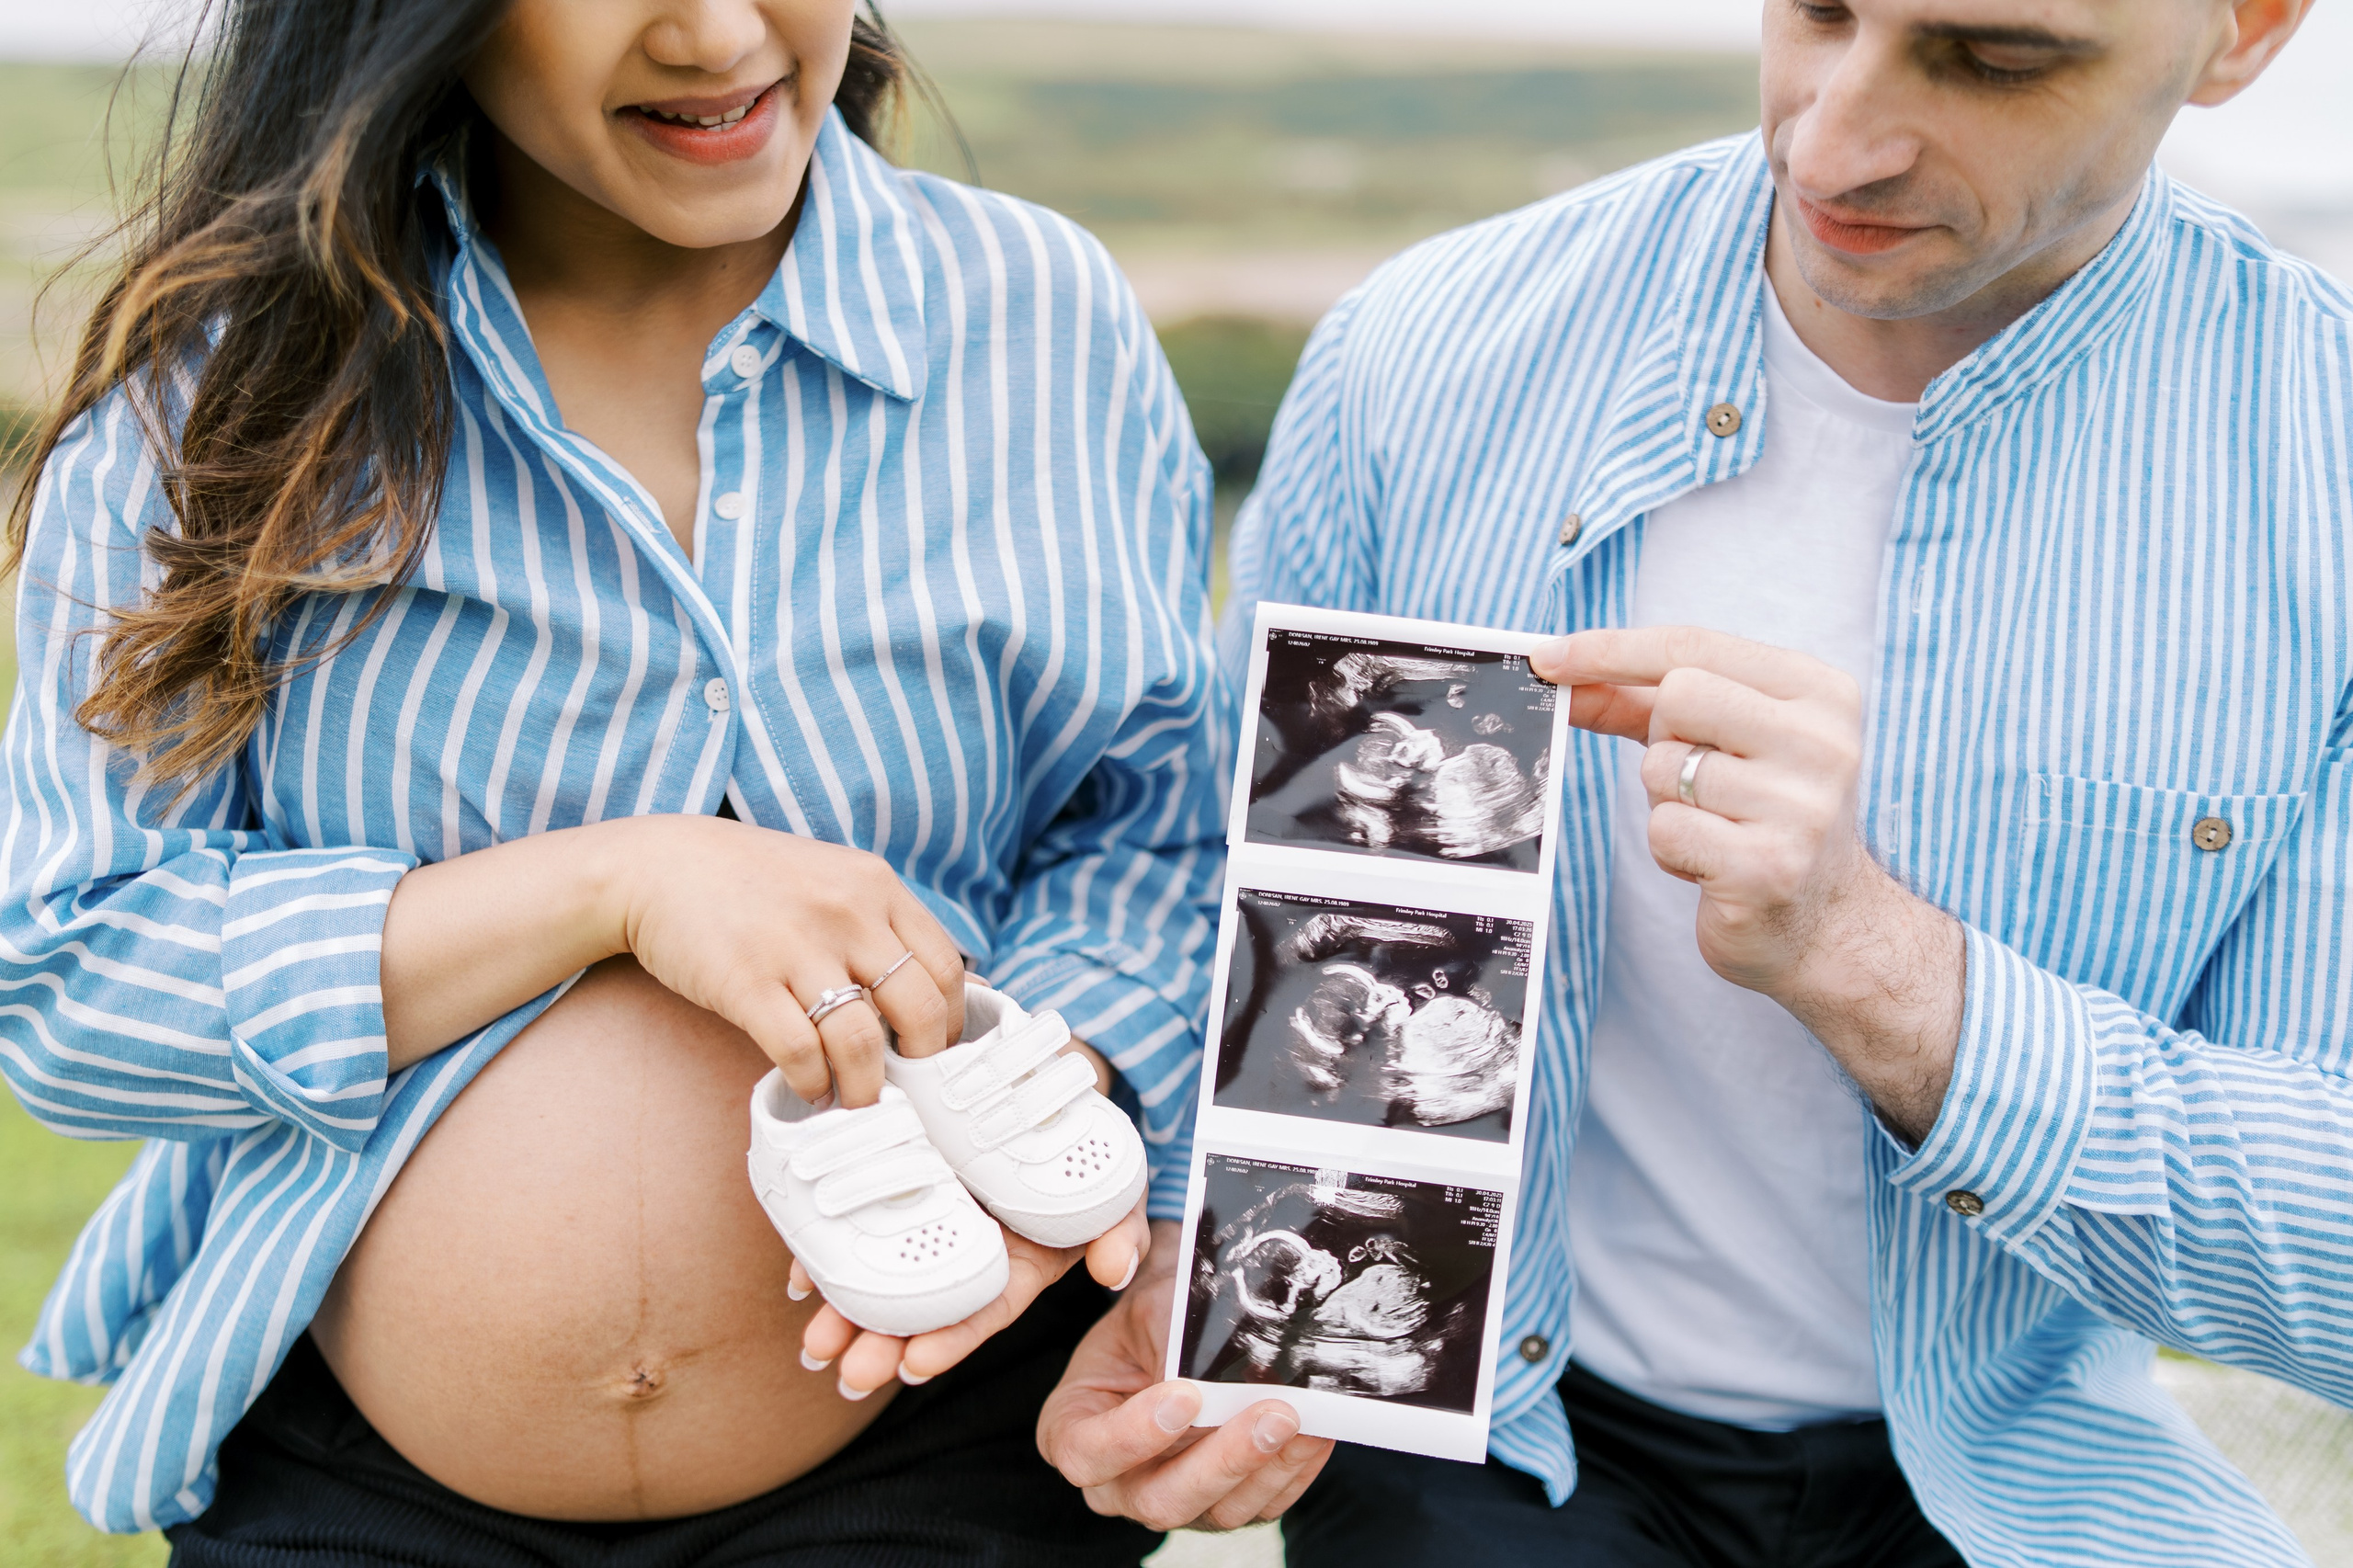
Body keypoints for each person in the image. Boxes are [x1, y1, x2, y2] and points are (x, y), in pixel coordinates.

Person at [1038, 1, 2352, 1563]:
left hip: (2037, 1481)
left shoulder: (2322, 467)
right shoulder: (1425, 356)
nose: (1829, 138)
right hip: (1494, 1453)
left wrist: (1881, 968)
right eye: (1818, 10)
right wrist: (1220, 1274)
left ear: (2246, 30)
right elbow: (1293, 938)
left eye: (1994, 57)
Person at [1, 0, 1224, 1562]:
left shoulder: (1042, 320)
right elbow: (67, 971)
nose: (718, 34)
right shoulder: (224, 383)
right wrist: (620, 882)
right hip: (355, 1490)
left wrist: (1060, 1097)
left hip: (945, 1447)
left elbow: (1166, 833)